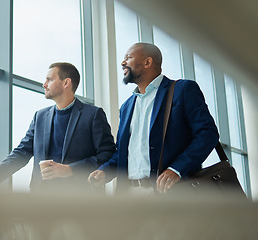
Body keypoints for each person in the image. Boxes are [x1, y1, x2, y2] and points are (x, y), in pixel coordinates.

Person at [88, 43, 219, 194]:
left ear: (147, 62)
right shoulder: (127, 106)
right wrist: (105, 171)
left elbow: (207, 134)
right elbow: (123, 152)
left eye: (128, 57)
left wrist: (177, 169)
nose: (123, 62)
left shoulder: (182, 90)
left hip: (170, 194)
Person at [0, 62, 115, 192]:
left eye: (50, 79)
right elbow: (21, 152)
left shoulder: (93, 114)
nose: (44, 84)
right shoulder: (40, 117)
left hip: (80, 199)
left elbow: (107, 154)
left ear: (66, 83)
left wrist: (70, 170)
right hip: (40, 200)